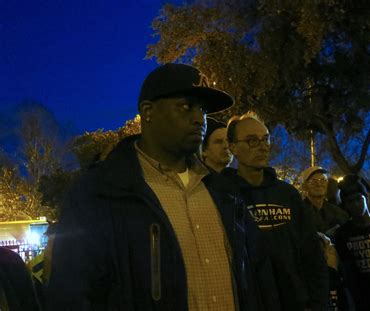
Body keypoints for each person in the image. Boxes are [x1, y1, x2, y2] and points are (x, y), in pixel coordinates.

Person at [45, 63, 271, 310]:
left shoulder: (225, 193)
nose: (199, 119)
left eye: (203, 110)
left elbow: (256, 278)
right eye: (186, 107)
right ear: (148, 112)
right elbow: (72, 293)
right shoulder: (99, 192)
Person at [222, 112, 329, 311]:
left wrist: (319, 303)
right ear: (233, 147)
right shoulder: (225, 196)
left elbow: (311, 254)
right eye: (252, 141)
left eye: (265, 139)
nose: (262, 146)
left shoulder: (287, 194)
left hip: (296, 302)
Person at [335, 175, 370, 311]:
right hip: (363, 298)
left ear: (366, 198)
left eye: (358, 199)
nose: (355, 205)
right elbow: (347, 268)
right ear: (345, 205)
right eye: (350, 202)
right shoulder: (343, 234)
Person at [300, 166, 349, 238]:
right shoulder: (297, 212)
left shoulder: (339, 213)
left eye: (323, 180)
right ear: (304, 186)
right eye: (313, 181)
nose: (319, 184)